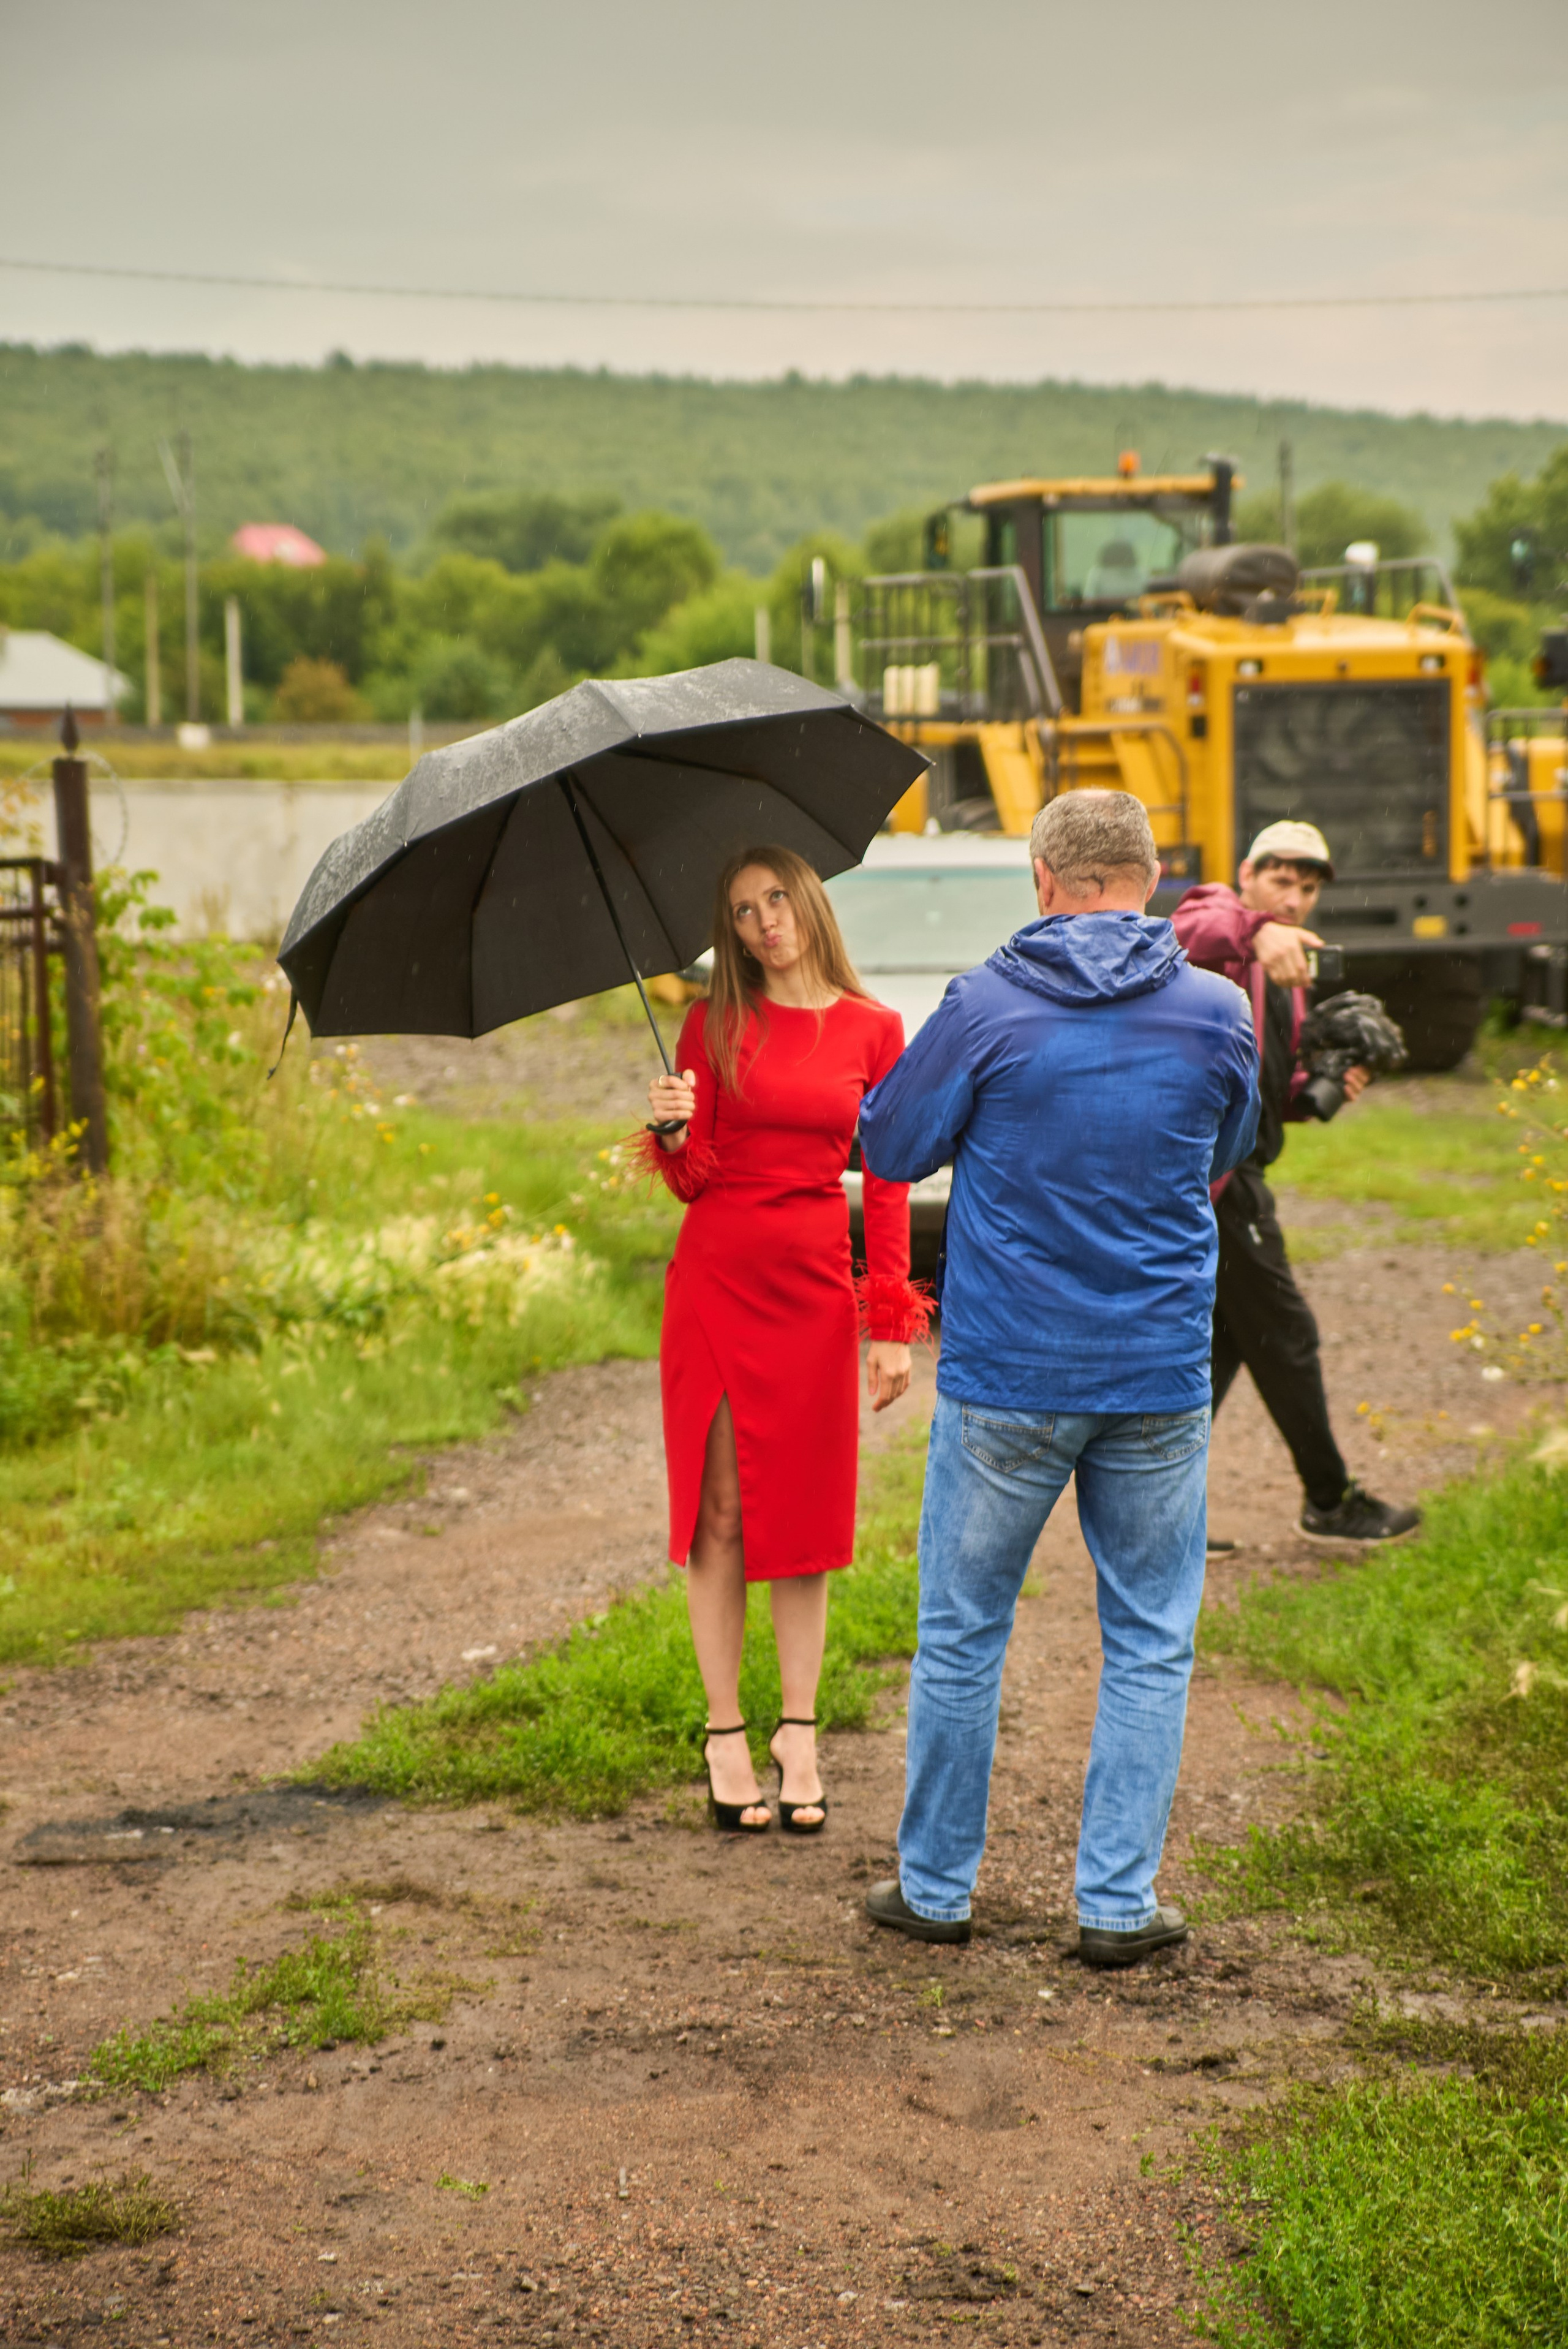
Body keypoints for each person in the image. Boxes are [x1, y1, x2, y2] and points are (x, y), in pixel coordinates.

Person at [855, 789, 1258, 1963]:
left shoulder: (984, 1003)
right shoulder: (1216, 1011)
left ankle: (936, 1891)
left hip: (1008, 1375)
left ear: (1042, 878)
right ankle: (1117, 1909)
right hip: (1157, 1371)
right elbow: (1224, 1152)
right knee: (1148, 1639)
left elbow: (890, 1148)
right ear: (1146, 874)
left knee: (964, 1630)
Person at [644, 844, 929, 1836]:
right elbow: (692, 1182)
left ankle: (796, 1732)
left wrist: (889, 1324)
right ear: (729, 932)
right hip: (717, 1282)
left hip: (812, 1288)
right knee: (719, 1513)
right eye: (742, 910)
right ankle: (725, 1732)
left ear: (809, 901)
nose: (765, 921)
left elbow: (888, 1180)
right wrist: (676, 1135)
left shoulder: (874, 1029)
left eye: (777, 899)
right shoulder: (709, 1023)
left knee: (802, 1521)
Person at [1170, 821, 1420, 1547]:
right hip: (1216, 1181)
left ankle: (1157, 1507)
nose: (1294, 898)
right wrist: (1257, 930)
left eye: (1306, 888)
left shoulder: (1287, 975)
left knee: (1224, 1345)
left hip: (1238, 1169)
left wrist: (1328, 1085)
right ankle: (1330, 1500)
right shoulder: (1221, 928)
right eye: (1280, 880)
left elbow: (1271, 1091)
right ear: (1247, 873)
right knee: (1285, 1333)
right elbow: (1194, 925)